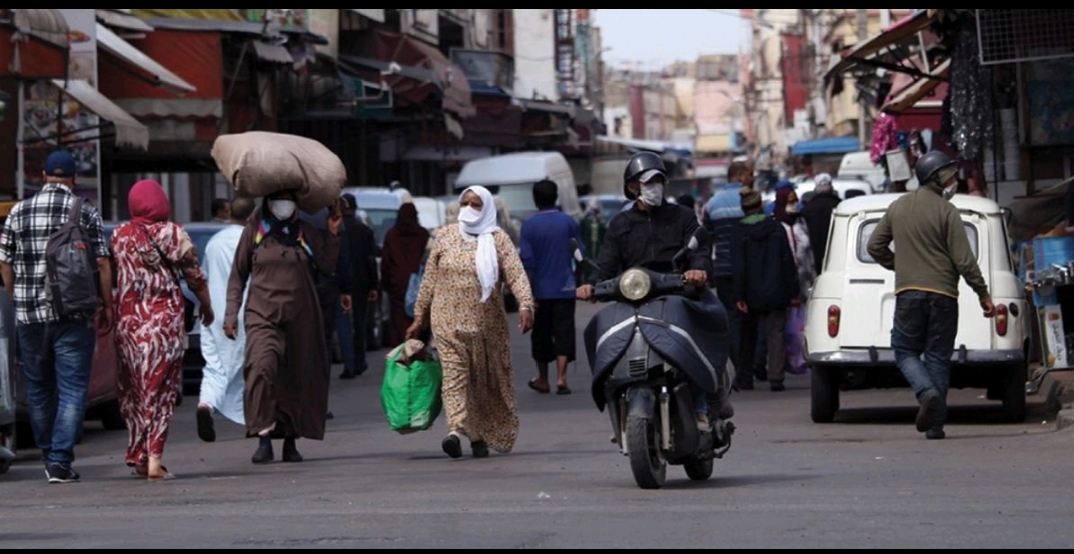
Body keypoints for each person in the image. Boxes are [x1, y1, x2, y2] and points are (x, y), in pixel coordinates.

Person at [578, 152, 733, 430]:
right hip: (632, 295)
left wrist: (697, 270)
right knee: (597, 328)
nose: (654, 187)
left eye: (659, 181)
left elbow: (700, 249)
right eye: (648, 182)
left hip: (678, 291)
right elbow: (606, 263)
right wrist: (592, 284)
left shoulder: (683, 216)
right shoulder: (620, 224)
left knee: (715, 316)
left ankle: (711, 392)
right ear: (632, 187)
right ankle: (613, 393)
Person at [0, 150, 114, 484]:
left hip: (30, 314)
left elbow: (4, 261)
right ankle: (60, 461)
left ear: (45, 176)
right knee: (73, 387)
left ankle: (50, 452)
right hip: (74, 312)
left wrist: (14, 293)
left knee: (38, 387)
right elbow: (103, 262)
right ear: (74, 178)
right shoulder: (84, 211)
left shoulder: (19, 212)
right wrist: (106, 304)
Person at [867, 151, 996, 441]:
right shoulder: (947, 211)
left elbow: (875, 245)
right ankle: (935, 423)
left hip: (908, 292)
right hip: (944, 294)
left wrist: (899, 265)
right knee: (938, 356)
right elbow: (964, 261)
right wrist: (983, 294)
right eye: (948, 175)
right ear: (934, 178)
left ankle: (926, 394)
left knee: (904, 351)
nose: (953, 180)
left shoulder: (898, 206)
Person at [405, 185, 535, 460]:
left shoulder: (497, 239)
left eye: (475, 204)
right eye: (464, 203)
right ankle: (454, 430)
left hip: (487, 326)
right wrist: (420, 317)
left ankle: (478, 437)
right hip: (447, 322)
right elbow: (429, 279)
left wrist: (525, 304)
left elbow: (516, 273)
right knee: (454, 377)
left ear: (486, 208)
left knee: (481, 381)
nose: (468, 209)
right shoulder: (445, 236)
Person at [224, 189, 342, 465]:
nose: (284, 204)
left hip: (301, 316)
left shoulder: (305, 233)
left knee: (295, 377)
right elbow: (238, 275)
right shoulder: (256, 231)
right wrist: (231, 314)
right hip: (262, 315)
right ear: (268, 202)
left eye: (289, 198)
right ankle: (264, 436)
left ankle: (291, 440)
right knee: (261, 368)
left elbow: (326, 266)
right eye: (279, 198)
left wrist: (334, 233)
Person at [112, 180, 214, 481]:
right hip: (164, 325)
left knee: (134, 393)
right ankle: (154, 459)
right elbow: (195, 277)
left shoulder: (119, 236)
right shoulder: (173, 234)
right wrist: (207, 307)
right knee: (162, 392)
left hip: (129, 323)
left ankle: (139, 457)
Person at [197, 197, 257, 443]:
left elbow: (203, 278)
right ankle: (254, 418)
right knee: (250, 366)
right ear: (252, 216)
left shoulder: (214, 243)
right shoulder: (254, 241)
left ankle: (205, 403)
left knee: (215, 365)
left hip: (215, 313)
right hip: (246, 311)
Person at [732, 187, 800, 393]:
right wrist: (793, 291)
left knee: (748, 336)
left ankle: (746, 377)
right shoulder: (776, 228)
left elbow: (739, 266)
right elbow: (787, 260)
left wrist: (739, 295)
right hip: (777, 289)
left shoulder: (739, 231)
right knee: (775, 334)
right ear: (760, 205)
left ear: (743, 209)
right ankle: (776, 378)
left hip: (750, 292)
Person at [520, 180, 585, 396]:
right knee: (564, 332)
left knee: (541, 334)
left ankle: (543, 379)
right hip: (565, 288)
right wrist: (579, 280)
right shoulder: (568, 222)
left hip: (539, 290)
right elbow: (580, 252)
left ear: (535, 199)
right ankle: (561, 378)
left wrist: (527, 294)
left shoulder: (528, 226)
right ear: (556, 197)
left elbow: (527, 261)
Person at [703, 161, 753, 383]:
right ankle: (751, 367)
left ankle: (740, 369)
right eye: (750, 174)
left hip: (723, 270)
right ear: (740, 176)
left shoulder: (712, 204)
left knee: (731, 320)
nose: (752, 178)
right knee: (751, 319)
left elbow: (707, 240)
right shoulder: (752, 201)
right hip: (751, 271)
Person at [338, 194, 380, 379]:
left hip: (340, 282)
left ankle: (349, 362)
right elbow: (371, 260)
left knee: (343, 324)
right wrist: (373, 285)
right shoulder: (364, 230)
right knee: (360, 322)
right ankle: (360, 360)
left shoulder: (336, 228)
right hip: (361, 283)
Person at [381, 203, 430, 350]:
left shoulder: (391, 235)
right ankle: (417, 354)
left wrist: (386, 285)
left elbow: (386, 263)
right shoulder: (422, 234)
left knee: (399, 324)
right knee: (419, 322)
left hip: (398, 286)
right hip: (419, 285)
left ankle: (402, 357)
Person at [774, 187, 816, 297]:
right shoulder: (776, 226)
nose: (795, 204)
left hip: (806, 281)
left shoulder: (801, 222)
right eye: (791, 201)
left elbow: (809, 250)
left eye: (796, 200)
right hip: (786, 283)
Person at [801, 173, 841, 274]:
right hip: (839, 257)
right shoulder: (840, 206)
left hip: (817, 259)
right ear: (831, 187)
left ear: (815, 189)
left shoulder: (808, 209)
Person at [579, 198, 606, 284]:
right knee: (587, 267)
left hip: (598, 249)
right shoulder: (585, 221)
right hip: (588, 249)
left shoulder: (601, 222)